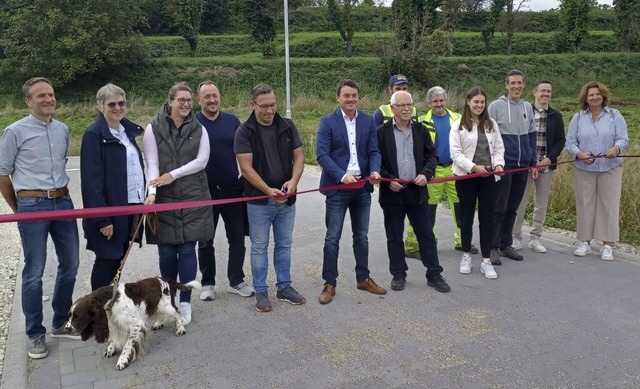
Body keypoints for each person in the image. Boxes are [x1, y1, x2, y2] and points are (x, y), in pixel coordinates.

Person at [0, 77, 80, 360]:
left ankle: (60, 322)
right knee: (34, 271)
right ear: (28, 101)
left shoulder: (63, 130)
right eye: (41, 96)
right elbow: (2, 174)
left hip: (64, 200)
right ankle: (35, 333)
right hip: (32, 204)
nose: (48, 99)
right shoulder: (14, 132)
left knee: (71, 264)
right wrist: (18, 208)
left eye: (51, 94)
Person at [143, 82, 214, 325]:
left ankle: (185, 302)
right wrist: (151, 191)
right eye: (181, 100)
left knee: (186, 250)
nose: (185, 104)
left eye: (188, 100)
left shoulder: (200, 128)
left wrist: (173, 174)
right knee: (165, 252)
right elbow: (151, 164)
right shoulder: (153, 128)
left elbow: (201, 161)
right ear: (170, 101)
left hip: (193, 196)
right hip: (164, 197)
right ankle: (167, 301)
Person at [234, 83, 306, 312]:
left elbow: (300, 157)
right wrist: (267, 190)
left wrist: (293, 183)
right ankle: (261, 291)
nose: (269, 110)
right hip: (259, 202)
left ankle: (284, 286)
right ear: (252, 105)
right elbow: (246, 168)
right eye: (264, 106)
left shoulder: (287, 126)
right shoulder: (244, 131)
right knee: (259, 247)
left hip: (287, 200)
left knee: (284, 244)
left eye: (273, 105)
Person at [317, 79, 386, 305]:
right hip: (338, 187)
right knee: (332, 237)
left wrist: (375, 171)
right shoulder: (327, 122)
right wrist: (341, 175)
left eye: (354, 95)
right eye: (346, 95)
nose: (351, 99)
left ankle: (363, 278)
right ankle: (329, 283)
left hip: (362, 188)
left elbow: (374, 151)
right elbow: (323, 155)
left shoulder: (368, 121)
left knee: (361, 236)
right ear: (338, 97)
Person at [377, 91, 451, 293]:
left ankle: (434, 274)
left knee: (426, 235)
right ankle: (399, 274)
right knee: (394, 236)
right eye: (402, 105)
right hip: (393, 193)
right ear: (392, 108)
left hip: (417, 191)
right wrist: (387, 179)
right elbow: (376, 161)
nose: (407, 108)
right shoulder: (381, 132)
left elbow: (432, 156)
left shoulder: (421, 129)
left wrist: (426, 174)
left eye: (409, 104)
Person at [80, 83, 145, 291]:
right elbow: (92, 182)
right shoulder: (94, 134)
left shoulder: (127, 132)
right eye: (111, 104)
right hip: (111, 210)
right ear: (101, 106)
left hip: (131, 204)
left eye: (121, 103)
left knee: (120, 259)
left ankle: (109, 303)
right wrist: (102, 218)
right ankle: (95, 307)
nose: (117, 107)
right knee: (107, 259)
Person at [195, 81, 254, 301]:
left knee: (237, 238)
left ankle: (236, 281)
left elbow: (245, 151)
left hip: (231, 189)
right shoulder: (193, 122)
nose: (212, 100)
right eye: (207, 96)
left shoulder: (232, 121)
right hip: (204, 192)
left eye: (215, 96)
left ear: (220, 97)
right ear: (199, 100)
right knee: (205, 240)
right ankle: (208, 283)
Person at [404, 86, 479, 258]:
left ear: (446, 100)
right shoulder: (421, 122)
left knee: (460, 206)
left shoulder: (458, 119)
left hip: (455, 169)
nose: (439, 104)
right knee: (428, 209)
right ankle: (427, 242)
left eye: (441, 100)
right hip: (433, 171)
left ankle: (462, 241)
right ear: (429, 103)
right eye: (435, 101)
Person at [565, 81, 628, 261]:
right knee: (585, 204)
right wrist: (579, 154)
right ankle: (584, 241)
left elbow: (623, 139)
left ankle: (607, 244)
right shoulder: (577, 118)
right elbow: (570, 142)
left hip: (611, 167)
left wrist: (615, 149)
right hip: (584, 168)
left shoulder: (615, 116)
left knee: (609, 205)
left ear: (603, 96)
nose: (594, 97)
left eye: (597, 94)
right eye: (591, 94)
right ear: (585, 98)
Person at [450, 86, 505, 279]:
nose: (479, 105)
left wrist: (498, 164)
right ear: (468, 102)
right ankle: (466, 254)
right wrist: (474, 167)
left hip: (489, 177)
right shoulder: (458, 125)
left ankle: (486, 259)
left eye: (482, 102)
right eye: (476, 102)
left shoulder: (492, 124)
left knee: (487, 218)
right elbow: (456, 154)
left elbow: (498, 148)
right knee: (466, 217)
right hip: (466, 178)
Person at [488, 69, 538, 264]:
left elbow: (532, 136)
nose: (516, 86)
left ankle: (505, 244)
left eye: (520, 83)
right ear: (506, 85)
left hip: (522, 165)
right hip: (503, 165)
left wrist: (532, 162)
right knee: (498, 207)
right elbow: (489, 136)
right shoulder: (495, 107)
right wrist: (494, 163)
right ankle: (492, 246)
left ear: (524, 85)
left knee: (512, 208)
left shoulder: (527, 107)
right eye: (513, 83)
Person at [512, 80, 566, 253]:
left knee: (541, 203)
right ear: (534, 92)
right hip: (526, 165)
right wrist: (530, 162)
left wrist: (550, 159)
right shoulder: (524, 112)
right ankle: (515, 237)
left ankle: (536, 238)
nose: (545, 94)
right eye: (542, 91)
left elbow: (560, 140)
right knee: (520, 202)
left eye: (548, 91)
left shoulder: (556, 116)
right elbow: (519, 137)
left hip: (546, 166)